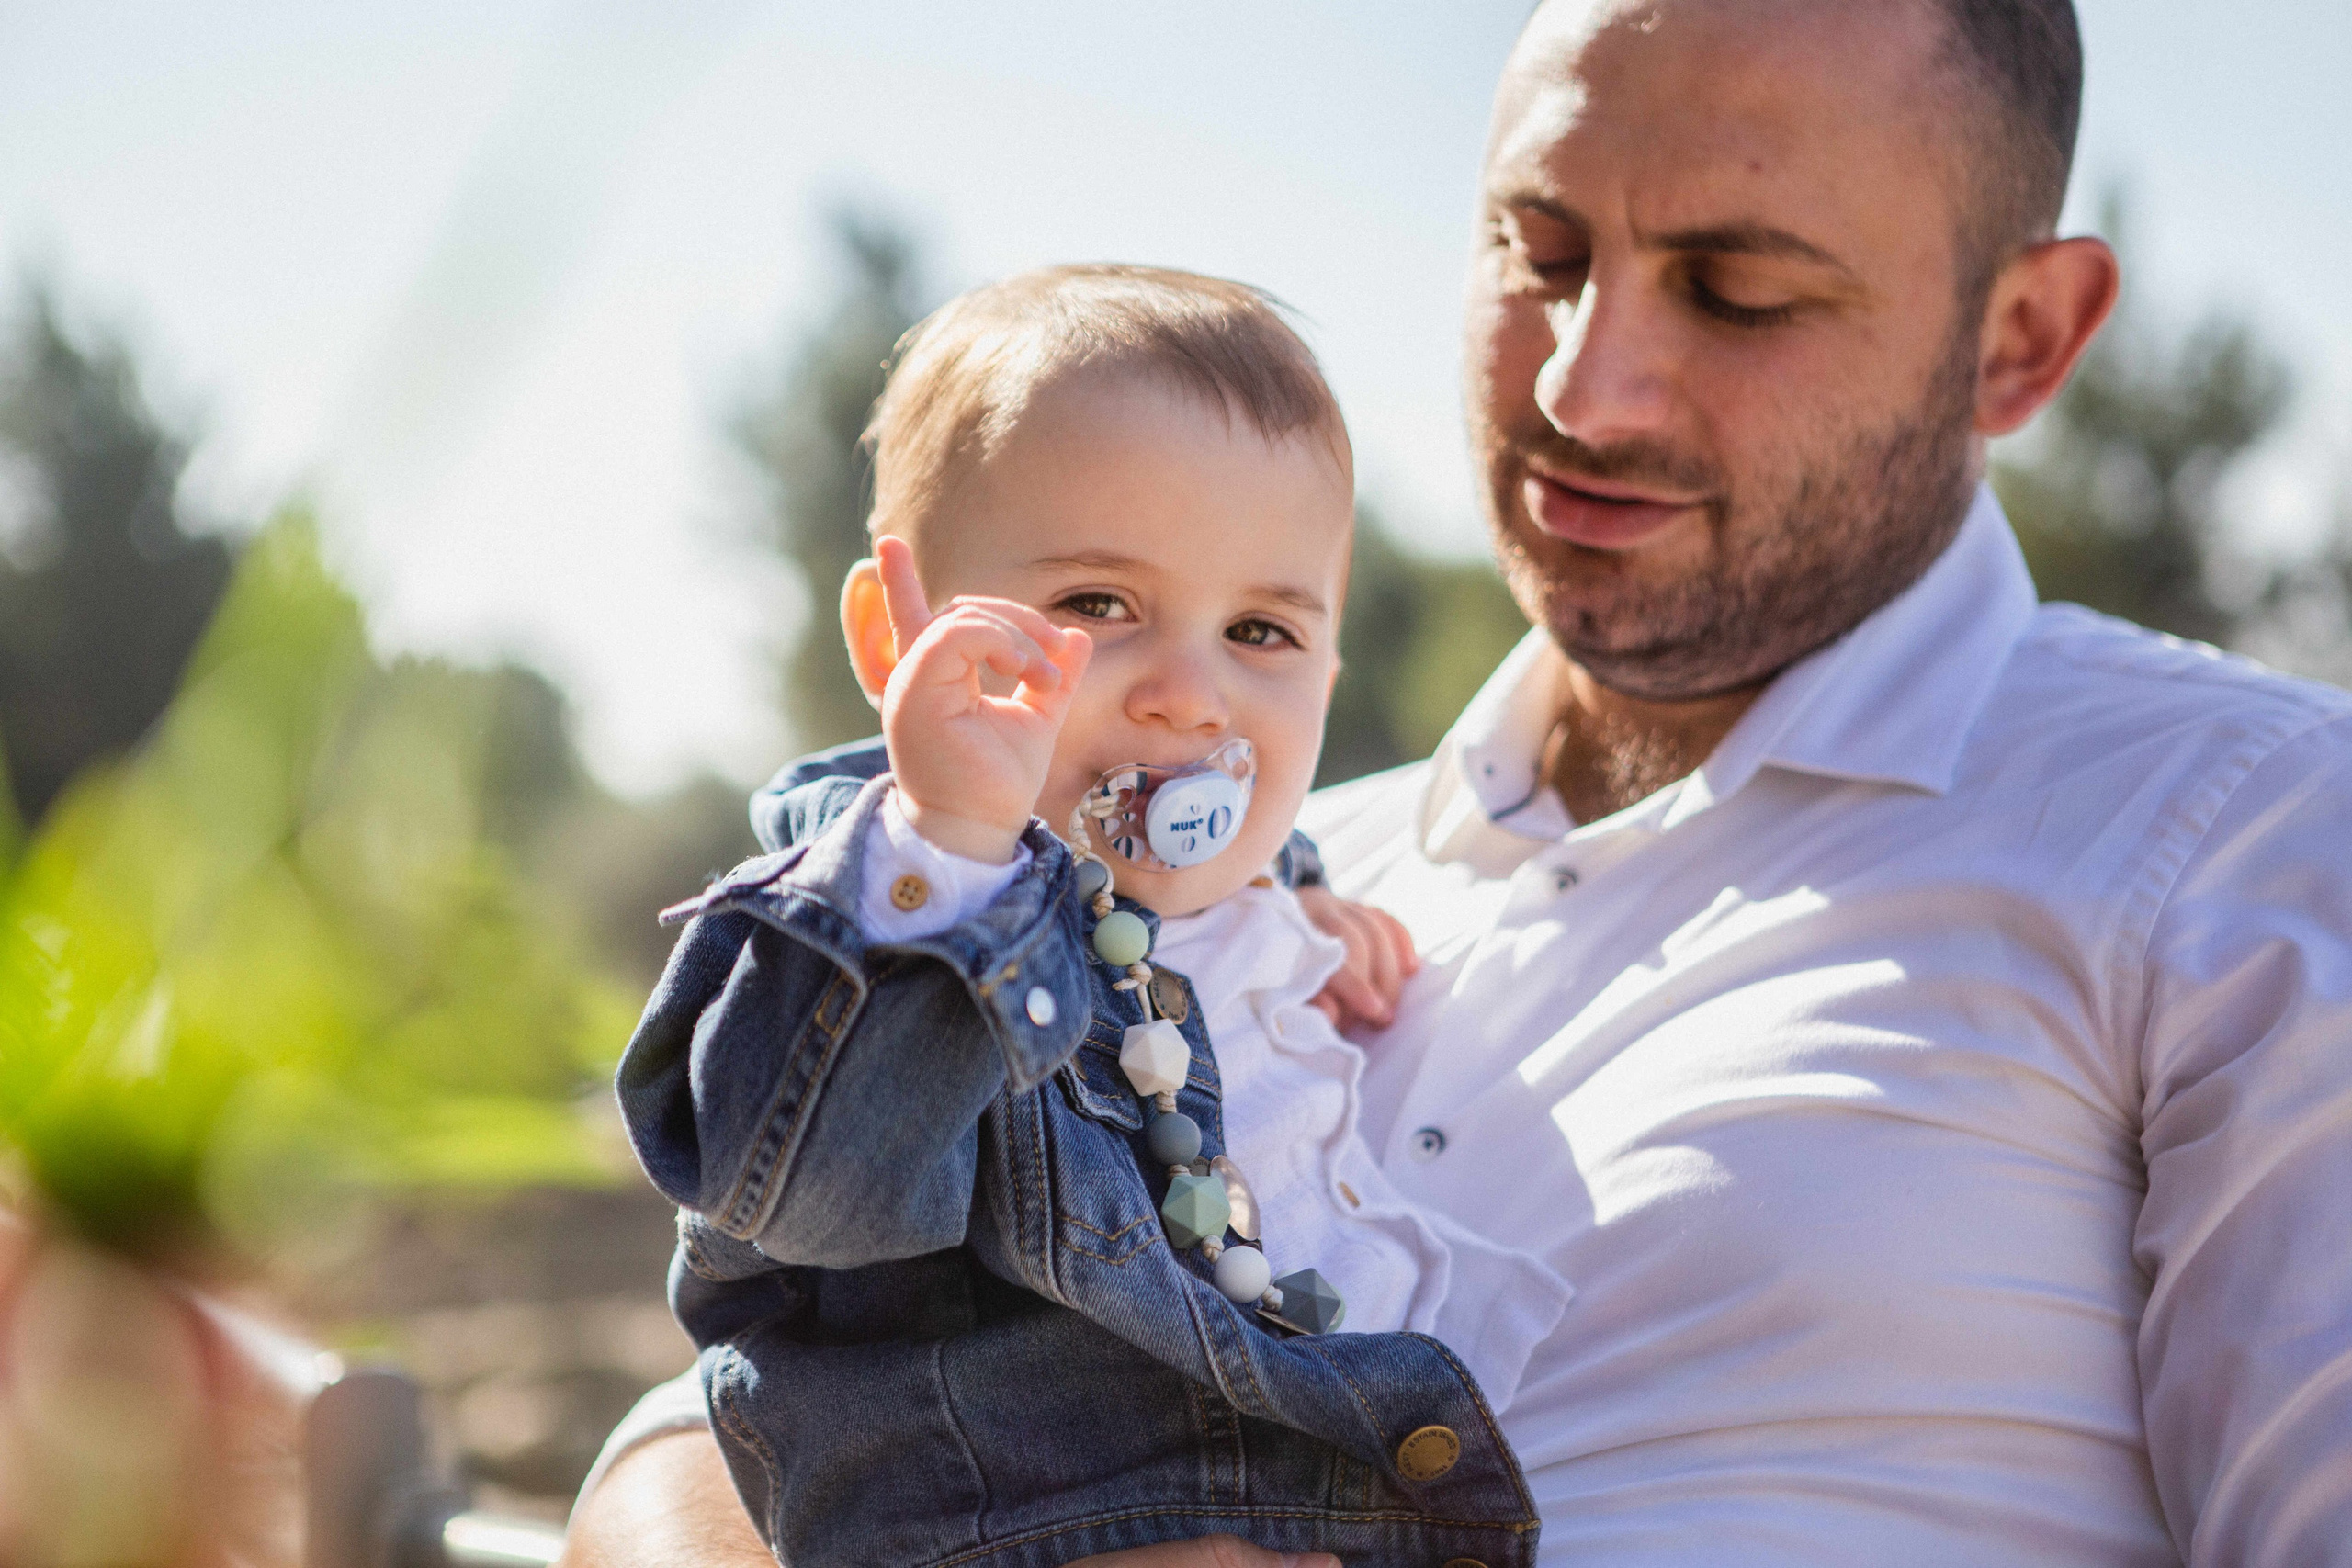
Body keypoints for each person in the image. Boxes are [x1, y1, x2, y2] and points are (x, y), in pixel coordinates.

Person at [566, 1, 2352, 1563]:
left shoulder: (2248, 836)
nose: (1586, 385)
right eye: (1540, 253)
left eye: (1736, 291)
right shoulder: (1227, 893)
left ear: (2021, 336)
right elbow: (740, 1402)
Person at [614, 265, 1570, 1568]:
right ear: (898, 639)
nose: (1191, 695)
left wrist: (1298, 903)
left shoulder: (1260, 897)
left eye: (1261, 631)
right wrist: (949, 850)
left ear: (1332, 664)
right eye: (1097, 607)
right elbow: (806, 1198)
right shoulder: (895, 917)